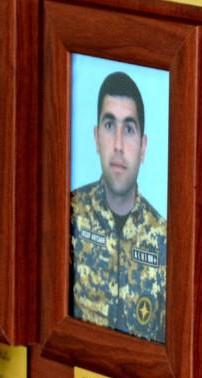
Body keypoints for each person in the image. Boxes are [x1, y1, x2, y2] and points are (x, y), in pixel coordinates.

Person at [70, 71, 166, 342]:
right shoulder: (69, 215)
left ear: (143, 147)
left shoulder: (165, 241)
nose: (119, 145)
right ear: (96, 137)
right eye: (110, 125)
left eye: (129, 129)